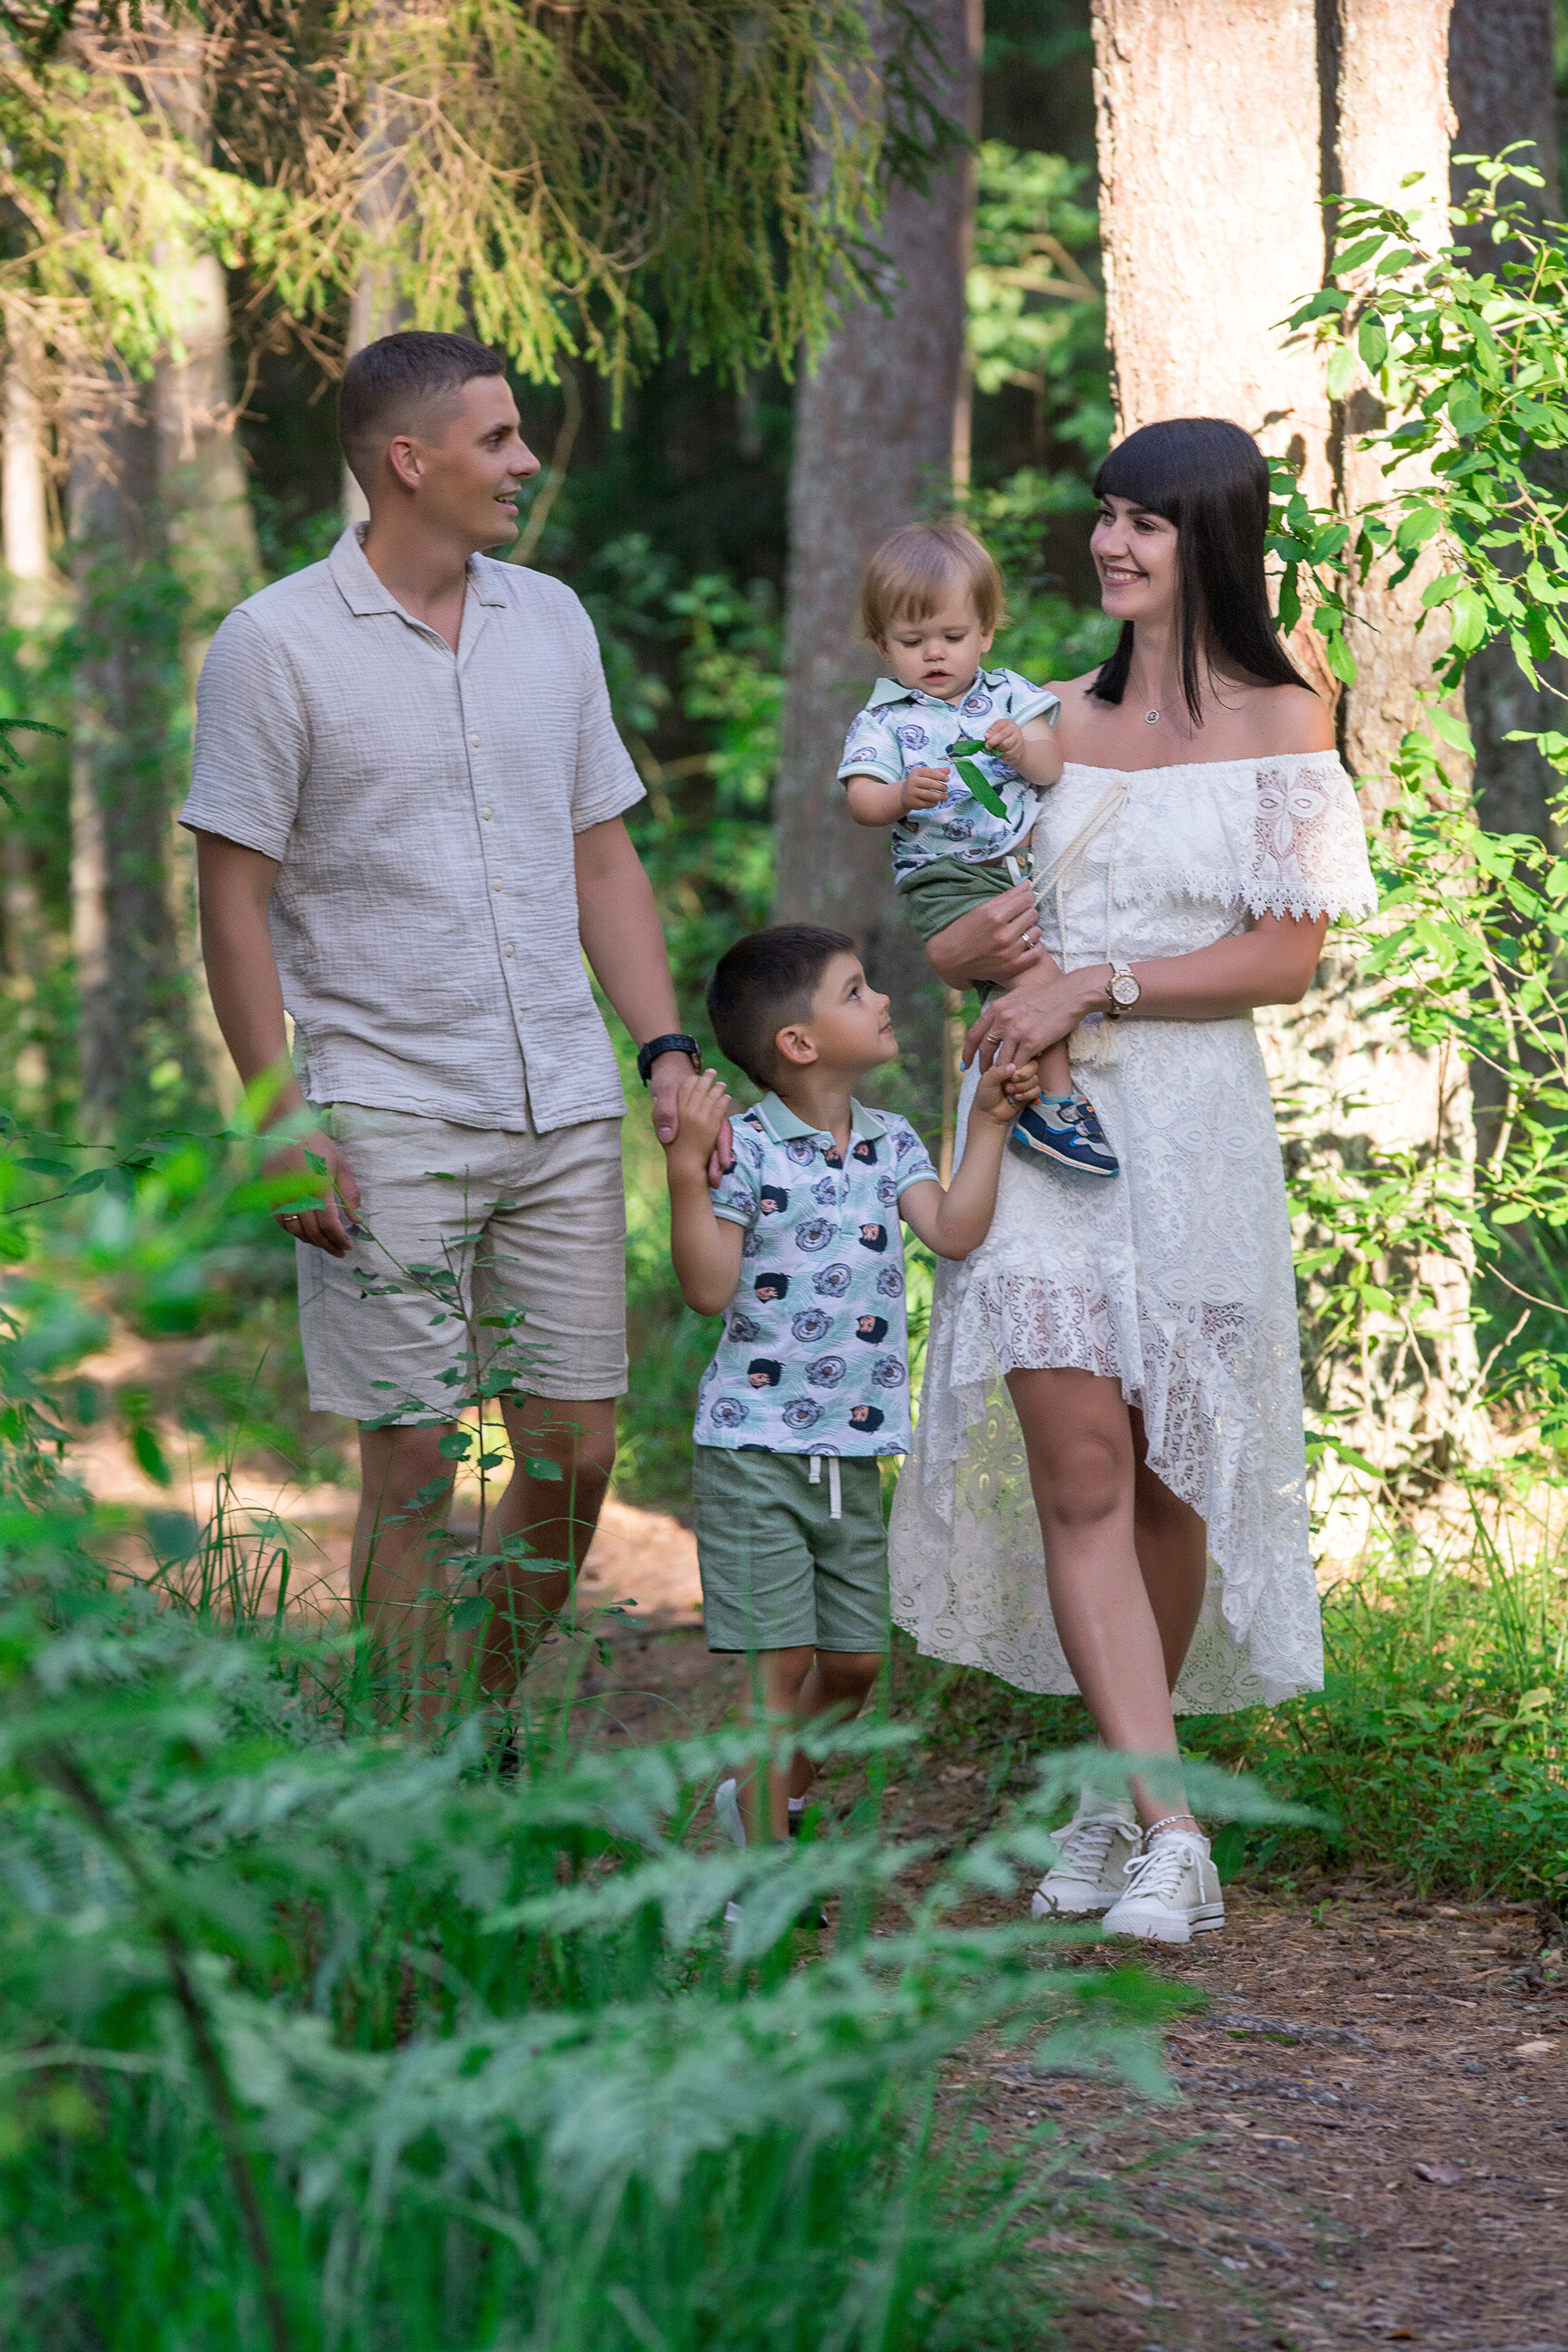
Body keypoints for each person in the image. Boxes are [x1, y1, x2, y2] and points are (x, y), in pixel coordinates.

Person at [889, 417, 1377, 1943]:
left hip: (1191, 1129)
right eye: (1103, 517)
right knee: (1078, 1468)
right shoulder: (1046, 717)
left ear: (1209, 543)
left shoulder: (1284, 716)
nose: (1109, 545)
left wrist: (1089, 982)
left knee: (1169, 1478)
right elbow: (967, 917)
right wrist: (969, 955)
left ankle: (1117, 1795)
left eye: (1145, 526)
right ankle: (1176, 1834)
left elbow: (1283, 956)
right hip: (1037, 1129)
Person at [182, 328, 717, 1709]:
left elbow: (603, 858)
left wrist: (661, 1046)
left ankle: (472, 1720)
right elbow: (231, 902)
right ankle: (400, 1769)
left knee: (576, 1454)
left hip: (562, 1097)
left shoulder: (555, 623)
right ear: (408, 463)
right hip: (381, 1106)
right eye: (498, 438)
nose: (526, 461)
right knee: (413, 1463)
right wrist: (275, 1114)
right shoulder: (274, 645)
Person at [659, 924, 1037, 1856]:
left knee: (855, 1664)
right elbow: (708, 1289)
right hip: (752, 1446)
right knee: (778, 1666)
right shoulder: (742, 1149)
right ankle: (764, 1871)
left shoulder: (889, 1140)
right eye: (856, 990)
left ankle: (762, 1796)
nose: (879, 1002)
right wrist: (682, 1165)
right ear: (798, 1043)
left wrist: (986, 1123)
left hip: (855, 1449)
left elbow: (951, 1230)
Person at [838, 519, 1117, 1181]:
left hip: (1018, 870)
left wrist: (1024, 748)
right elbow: (862, 802)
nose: (934, 655)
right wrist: (903, 793)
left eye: (953, 637)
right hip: (947, 877)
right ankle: (1057, 1104)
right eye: (912, 641)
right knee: (1038, 982)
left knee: (1014, 983)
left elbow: (1050, 768)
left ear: (987, 633)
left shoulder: (1011, 696)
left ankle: (1013, 1086)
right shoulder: (886, 720)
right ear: (883, 645)